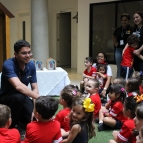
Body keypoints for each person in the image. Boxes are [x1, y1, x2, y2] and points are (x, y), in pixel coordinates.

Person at [0, 40, 39, 130]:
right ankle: (13, 127)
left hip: (23, 97)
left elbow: (35, 87)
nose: (28, 55)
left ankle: (20, 120)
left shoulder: (31, 65)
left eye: (29, 52)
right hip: (6, 97)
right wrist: (39, 97)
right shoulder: (8, 64)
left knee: (32, 119)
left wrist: (36, 106)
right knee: (19, 97)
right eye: (24, 53)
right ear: (15, 54)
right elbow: (19, 86)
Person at [113, 13, 132, 78]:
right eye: (122, 20)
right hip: (118, 49)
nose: (124, 22)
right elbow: (114, 36)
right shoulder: (118, 29)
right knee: (119, 66)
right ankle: (118, 83)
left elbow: (132, 39)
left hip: (128, 51)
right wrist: (115, 43)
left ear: (129, 21)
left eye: (125, 20)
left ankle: (128, 82)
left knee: (127, 66)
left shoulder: (131, 29)